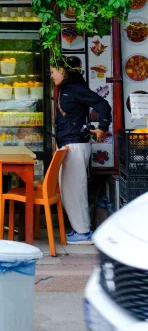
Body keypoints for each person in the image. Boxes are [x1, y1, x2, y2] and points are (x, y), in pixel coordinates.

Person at [50, 57, 112, 244]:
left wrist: (102, 127)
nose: (51, 75)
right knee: (69, 190)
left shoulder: (76, 88)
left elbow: (103, 105)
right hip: (68, 145)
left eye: (53, 71)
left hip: (75, 145)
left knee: (75, 190)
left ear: (63, 70)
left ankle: (83, 232)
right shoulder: (66, 89)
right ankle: (79, 229)